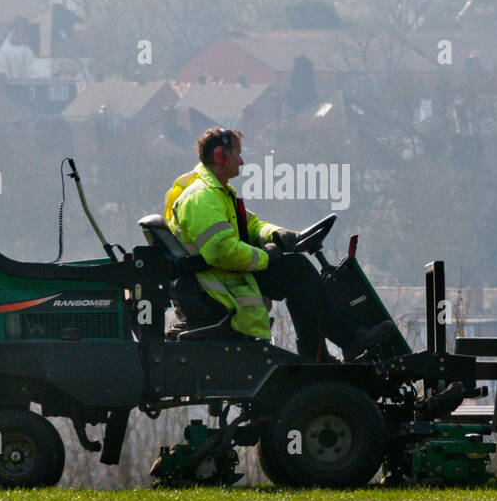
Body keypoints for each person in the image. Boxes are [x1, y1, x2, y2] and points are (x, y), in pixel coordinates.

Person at [164, 127, 393, 360]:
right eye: (237, 154)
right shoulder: (203, 197)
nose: (242, 161)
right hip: (221, 284)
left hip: (222, 276)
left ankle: (316, 355)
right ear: (220, 156)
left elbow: (251, 226)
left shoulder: (217, 193)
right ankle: (350, 338)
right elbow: (222, 251)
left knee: (295, 273)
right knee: (296, 269)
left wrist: (276, 234)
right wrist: (266, 257)